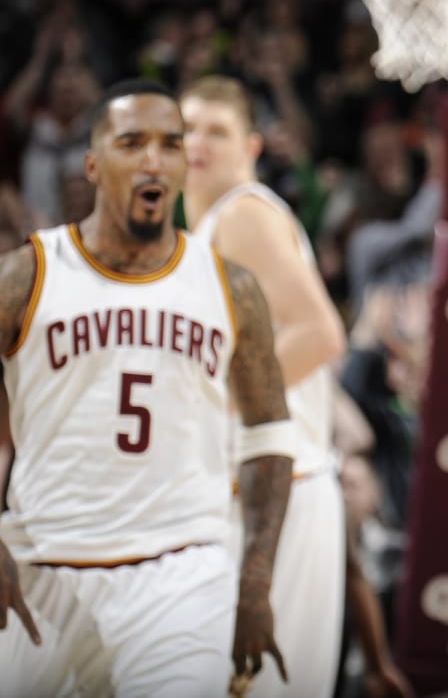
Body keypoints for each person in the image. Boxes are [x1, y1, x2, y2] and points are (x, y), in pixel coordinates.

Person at [0, 78, 293, 696]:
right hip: (43, 563)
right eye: (132, 143)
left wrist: (255, 584)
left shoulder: (231, 286)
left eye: (169, 143)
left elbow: (269, 437)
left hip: (181, 572)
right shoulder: (29, 274)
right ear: (92, 163)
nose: (153, 159)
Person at [181, 75, 356, 698]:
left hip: (281, 489)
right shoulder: (199, 231)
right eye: (187, 128)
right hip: (258, 487)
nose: (196, 142)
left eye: (216, 130)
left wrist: (207, 409)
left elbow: (319, 332)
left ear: (251, 146)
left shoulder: (244, 214)